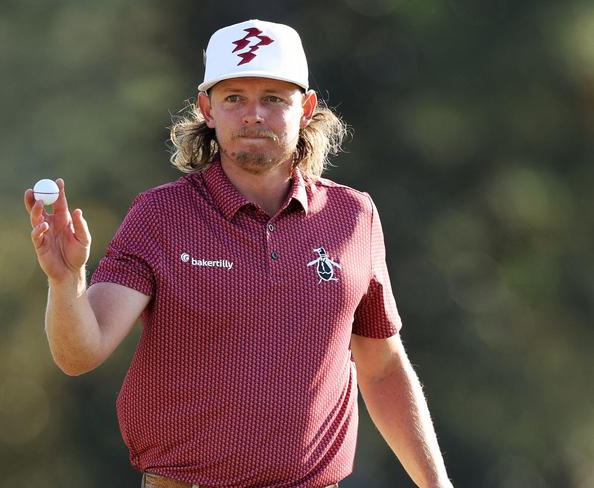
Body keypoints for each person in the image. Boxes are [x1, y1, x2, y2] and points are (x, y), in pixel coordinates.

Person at [25, 19, 452, 488]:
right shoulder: (161, 215)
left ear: (306, 108)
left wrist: (436, 485)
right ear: (207, 109)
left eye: (273, 98)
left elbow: (383, 366)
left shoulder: (353, 216)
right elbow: (80, 353)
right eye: (235, 98)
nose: (254, 115)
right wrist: (65, 283)